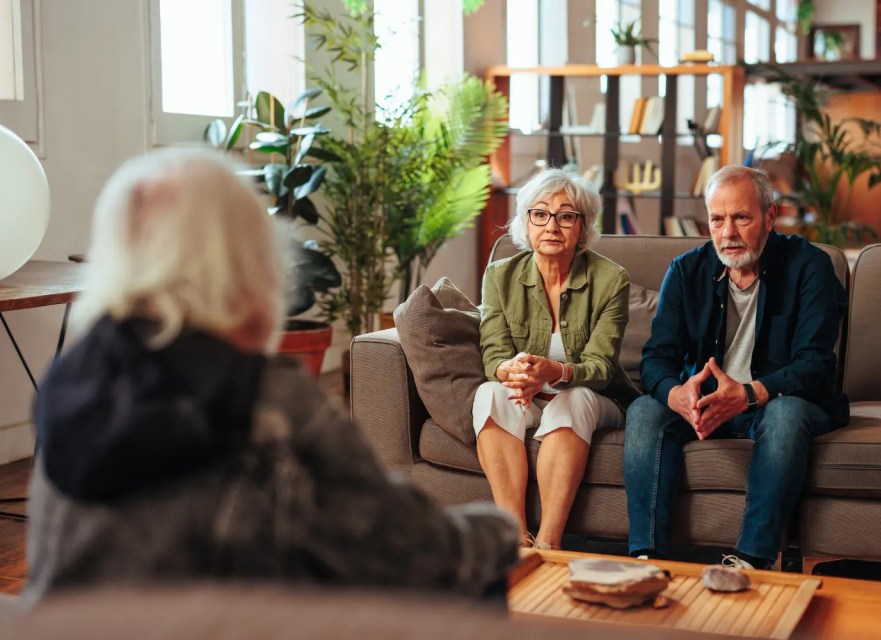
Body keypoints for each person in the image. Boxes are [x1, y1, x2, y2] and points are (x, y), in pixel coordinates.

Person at [23, 148, 518, 606]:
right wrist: (497, 532)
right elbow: (404, 544)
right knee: (476, 575)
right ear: (245, 260)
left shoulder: (73, 377)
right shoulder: (264, 395)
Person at [623, 165, 849, 569]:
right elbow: (657, 357)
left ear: (769, 217)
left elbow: (815, 365)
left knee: (785, 414)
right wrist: (678, 395)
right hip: (709, 404)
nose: (728, 233)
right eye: (717, 219)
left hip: (776, 402)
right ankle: (647, 557)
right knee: (644, 410)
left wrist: (747, 394)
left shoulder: (809, 267)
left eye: (741, 217)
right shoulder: (686, 270)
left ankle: (751, 560)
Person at [475, 167, 639, 550]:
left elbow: (600, 367)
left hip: (598, 398)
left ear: (583, 227)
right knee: (490, 394)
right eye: (540, 214)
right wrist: (509, 371)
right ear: (526, 222)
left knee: (572, 399)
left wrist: (556, 370)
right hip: (526, 398)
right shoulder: (500, 275)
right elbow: (493, 351)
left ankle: (550, 542)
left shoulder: (611, 279)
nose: (551, 225)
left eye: (566, 216)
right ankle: (515, 538)